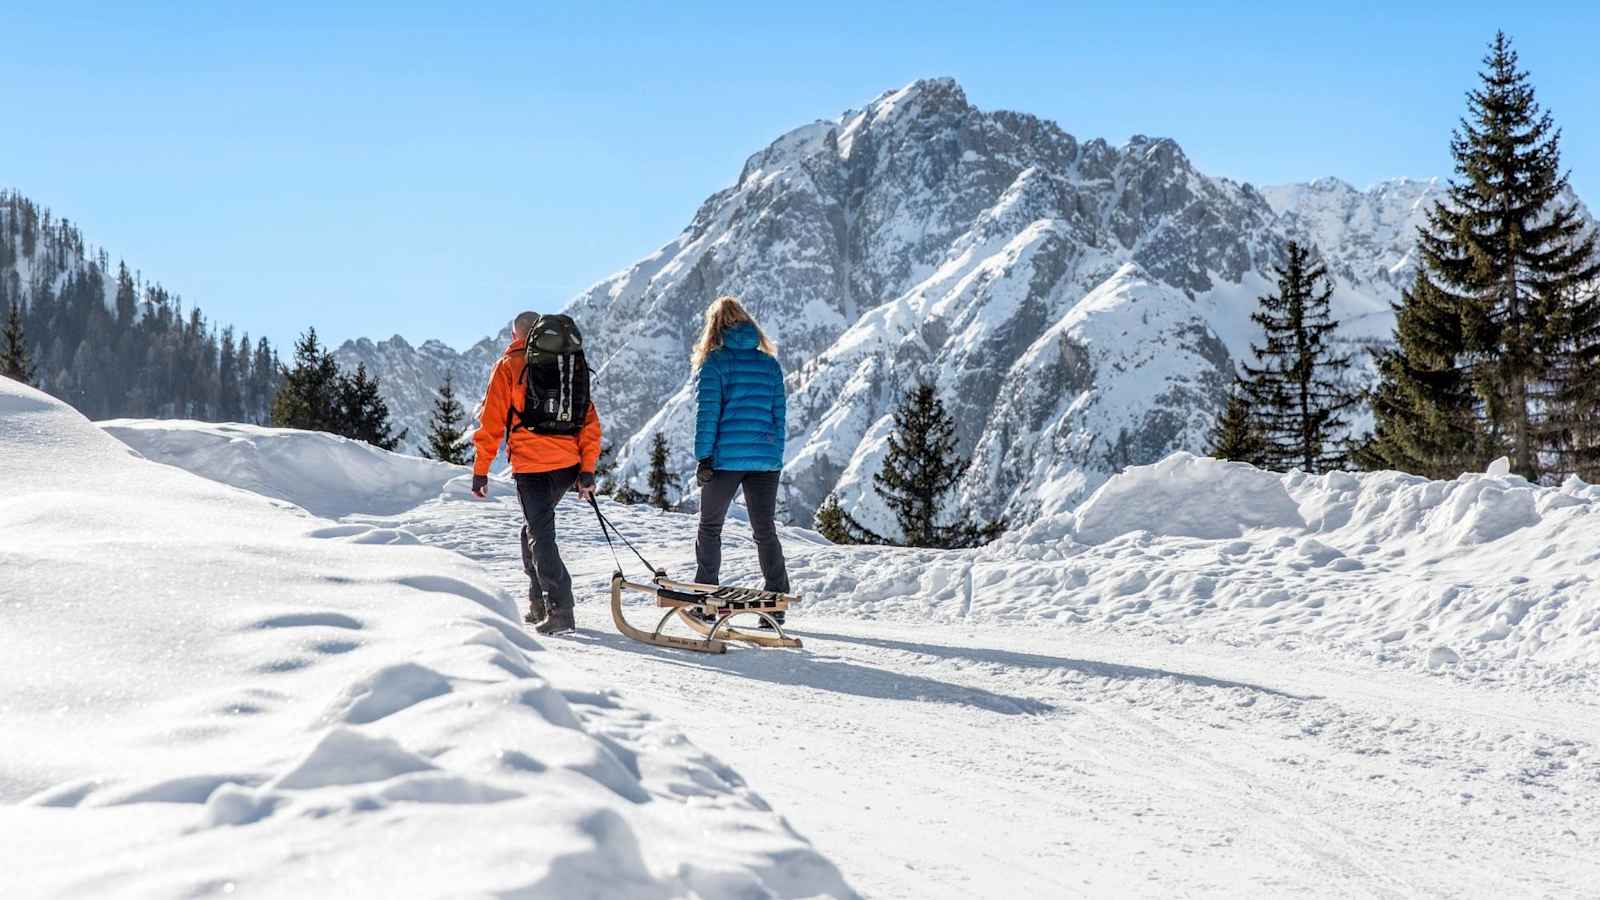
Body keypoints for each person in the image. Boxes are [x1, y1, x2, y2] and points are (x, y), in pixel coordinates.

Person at [471, 310, 601, 635]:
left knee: (541, 534)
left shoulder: (510, 365)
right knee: (532, 530)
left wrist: (481, 471)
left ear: (517, 336)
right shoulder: (568, 365)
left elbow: (491, 422)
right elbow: (589, 423)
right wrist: (586, 472)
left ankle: (561, 608)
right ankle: (538, 601)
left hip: (532, 466)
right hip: (568, 465)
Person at [692, 295, 790, 626]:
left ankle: (706, 597)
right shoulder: (769, 363)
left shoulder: (715, 362)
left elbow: (708, 415)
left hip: (726, 459)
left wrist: (704, 457)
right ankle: (776, 600)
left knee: (710, 526)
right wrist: (773, 454)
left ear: (715, 327)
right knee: (765, 529)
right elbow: (780, 415)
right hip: (765, 458)